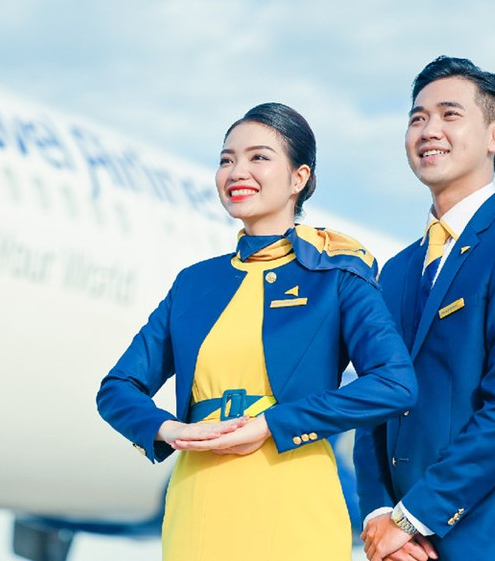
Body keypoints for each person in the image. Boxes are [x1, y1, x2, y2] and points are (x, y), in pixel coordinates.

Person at [97, 102, 417, 560]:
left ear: (299, 178)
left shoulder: (338, 274)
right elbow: (117, 388)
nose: (237, 171)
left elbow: (395, 385)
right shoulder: (194, 283)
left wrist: (272, 424)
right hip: (198, 495)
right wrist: (167, 429)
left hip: (293, 489)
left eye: (259, 157)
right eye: (227, 159)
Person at [354, 56, 495, 561]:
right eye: (417, 118)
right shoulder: (395, 271)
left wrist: (413, 517)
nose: (429, 130)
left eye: (449, 114)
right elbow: (374, 404)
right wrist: (378, 519)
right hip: (405, 549)